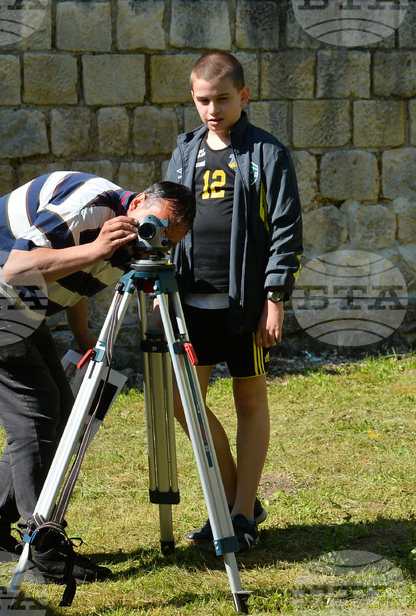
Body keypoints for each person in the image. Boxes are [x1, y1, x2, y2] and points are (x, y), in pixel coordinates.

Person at [0, 172, 195, 582]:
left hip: (12, 301)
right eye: (153, 223)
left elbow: (77, 276)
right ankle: (43, 550)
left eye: (169, 239)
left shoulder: (132, 237)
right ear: (138, 202)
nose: (154, 237)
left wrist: (83, 334)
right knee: (33, 415)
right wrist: (97, 248)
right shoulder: (89, 208)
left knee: (58, 413)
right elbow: (18, 267)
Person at [164, 50, 302, 553]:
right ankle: (229, 500)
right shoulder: (184, 151)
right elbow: (170, 215)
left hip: (245, 304)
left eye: (222, 99)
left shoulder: (268, 152)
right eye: (202, 100)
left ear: (243, 96)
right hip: (191, 303)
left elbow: (287, 229)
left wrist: (274, 298)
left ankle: (241, 513)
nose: (212, 110)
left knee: (249, 399)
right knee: (184, 404)